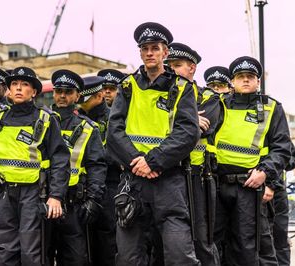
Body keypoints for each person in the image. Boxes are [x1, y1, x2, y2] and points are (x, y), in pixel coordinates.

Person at [107, 22, 200, 265]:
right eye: (145, 48)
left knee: (179, 254)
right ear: (140, 52)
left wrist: (153, 161)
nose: (150, 53)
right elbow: (114, 131)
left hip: (169, 180)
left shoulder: (182, 88)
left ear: (165, 53)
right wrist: (138, 162)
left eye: (155, 48)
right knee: (128, 257)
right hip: (133, 179)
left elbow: (188, 132)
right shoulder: (127, 86)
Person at [0, 67, 70, 265]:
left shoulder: (46, 119)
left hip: (33, 193)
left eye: (24, 85)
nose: (18, 89)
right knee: (5, 251)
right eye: (14, 84)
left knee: (32, 252)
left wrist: (56, 196)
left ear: (34, 92)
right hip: (3, 193)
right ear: (8, 90)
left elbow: (60, 159)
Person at [213, 56, 291, 265]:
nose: (245, 80)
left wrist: (265, 173)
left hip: (249, 185)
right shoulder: (217, 105)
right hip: (216, 184)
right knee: (214, 243)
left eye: (250, 77)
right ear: (233, 82)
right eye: (240, 77)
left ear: (258, 81)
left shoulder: (271, 108)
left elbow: (282, 149)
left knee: (249, 246)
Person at [166, 42, 220, 266]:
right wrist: (189, 118)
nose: (172, 70)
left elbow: (201, 128)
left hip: (196, 177)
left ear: (192, 68)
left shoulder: (209, 97)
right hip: (167, 172)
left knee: (201, 239)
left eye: (177, 65)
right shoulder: (161, 93)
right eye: (168, 65)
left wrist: (178, 119)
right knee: (168, 240)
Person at [48, 69, 107, 265]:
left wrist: (93, 200)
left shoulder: (88, 128)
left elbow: (97, 166)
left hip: (74, 203)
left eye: (68, 92)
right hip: (43, 199)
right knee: (40, 256)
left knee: (75, 259)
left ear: (77, 96)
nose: (62, 96)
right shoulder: (40, 121)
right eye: (58, 91)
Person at [79, 76, 119, 266]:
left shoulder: (113, 119)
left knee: (107, 239)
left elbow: (116, 154)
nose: (80, 104)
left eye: (84, 100)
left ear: (99, 96)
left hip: (109, 185)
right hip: (83, 185)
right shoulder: (77, 119)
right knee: (85, 242)